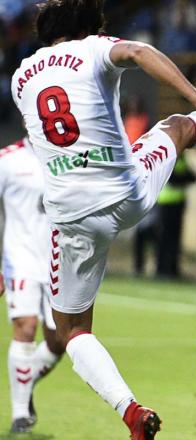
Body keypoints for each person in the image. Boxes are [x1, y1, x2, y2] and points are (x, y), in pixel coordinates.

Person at [11, 1, 196, 439]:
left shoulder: (20, 77)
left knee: (71, 331)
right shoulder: (93, 49)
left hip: (69, 216)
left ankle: (130, 410)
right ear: (89, 27)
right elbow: (141, 53)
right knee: (180, 125)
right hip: (126, 194)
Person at [0, 137, 65, 433]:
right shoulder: (8, 160)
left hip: (61, 261)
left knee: (60, 340)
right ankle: (19, 415)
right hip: (20, 256)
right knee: (25, 327)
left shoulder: (71, 156)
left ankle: (24, 384)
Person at [155, 153, 196, 278]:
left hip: (178, 203)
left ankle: (172, 269)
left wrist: (183, 178)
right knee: (164, 238)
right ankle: (161, 269)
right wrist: (184, 178)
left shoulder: (181, 159)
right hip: (166, 203)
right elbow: (173, 179)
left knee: (175, 239)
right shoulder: (170, 158)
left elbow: (193, 176)